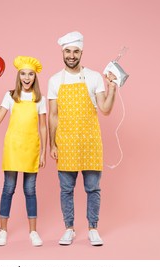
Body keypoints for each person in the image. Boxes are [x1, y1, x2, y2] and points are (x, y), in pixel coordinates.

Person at [48, 31, 117, 246]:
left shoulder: (95, 77)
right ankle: (68, 228)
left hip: (90, 141)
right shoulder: (54, 80)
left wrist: (112, 88)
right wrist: (53, 144)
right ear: (62, 52)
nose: (71, 55)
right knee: (66, 189)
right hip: (66, 142)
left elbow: (105, 109)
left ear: (81, 53)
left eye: (75, 51)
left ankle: (93, 228)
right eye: (68, 51)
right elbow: (53, 115)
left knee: (93, 188)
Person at [0, 56, 47, 246]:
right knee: (8, 189)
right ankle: (2, 231)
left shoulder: (40, 99)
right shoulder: (11, 95)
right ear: (18, 75)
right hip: (13, 148)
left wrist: (43, 153)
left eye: (30, 74)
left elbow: (44, 127)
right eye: (23, 73)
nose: (27, 77)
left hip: (31, 149)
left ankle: (33, 232)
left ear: (35, 76)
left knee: (30, 190)